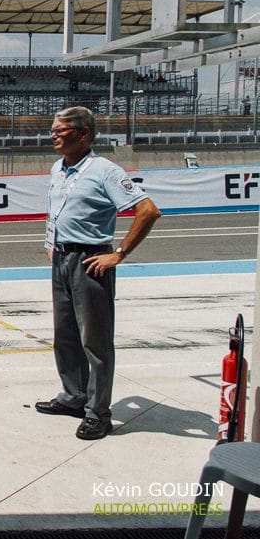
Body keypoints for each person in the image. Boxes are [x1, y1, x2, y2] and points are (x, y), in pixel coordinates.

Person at [35, 106, 161, 440]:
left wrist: (117, 254)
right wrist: (51, 243)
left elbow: (148, 211)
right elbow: (55, 211)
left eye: (60, 131)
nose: (53, 136)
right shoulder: (58, 169)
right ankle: (74, 396)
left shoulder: (105, 171)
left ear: (84, 134)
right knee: (65, 336)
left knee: (96, 341)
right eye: (53, 130)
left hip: (91, 260)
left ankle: (98, 413)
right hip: (62, 257)